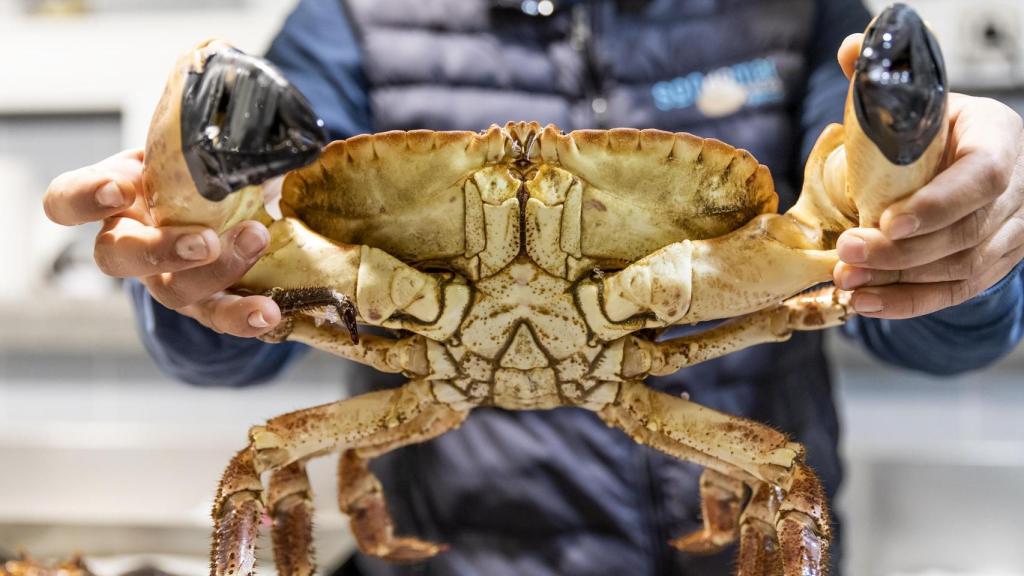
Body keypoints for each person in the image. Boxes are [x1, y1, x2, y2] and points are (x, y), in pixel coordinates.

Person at [43, 1, 1024, 574]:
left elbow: (863, 276)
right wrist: (186, 272)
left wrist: (952, 226)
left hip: (711, 557)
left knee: (786, 485)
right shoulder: (350, 21)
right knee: (264, 461)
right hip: (452, 557)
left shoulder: (790, 10)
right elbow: (243, 280)